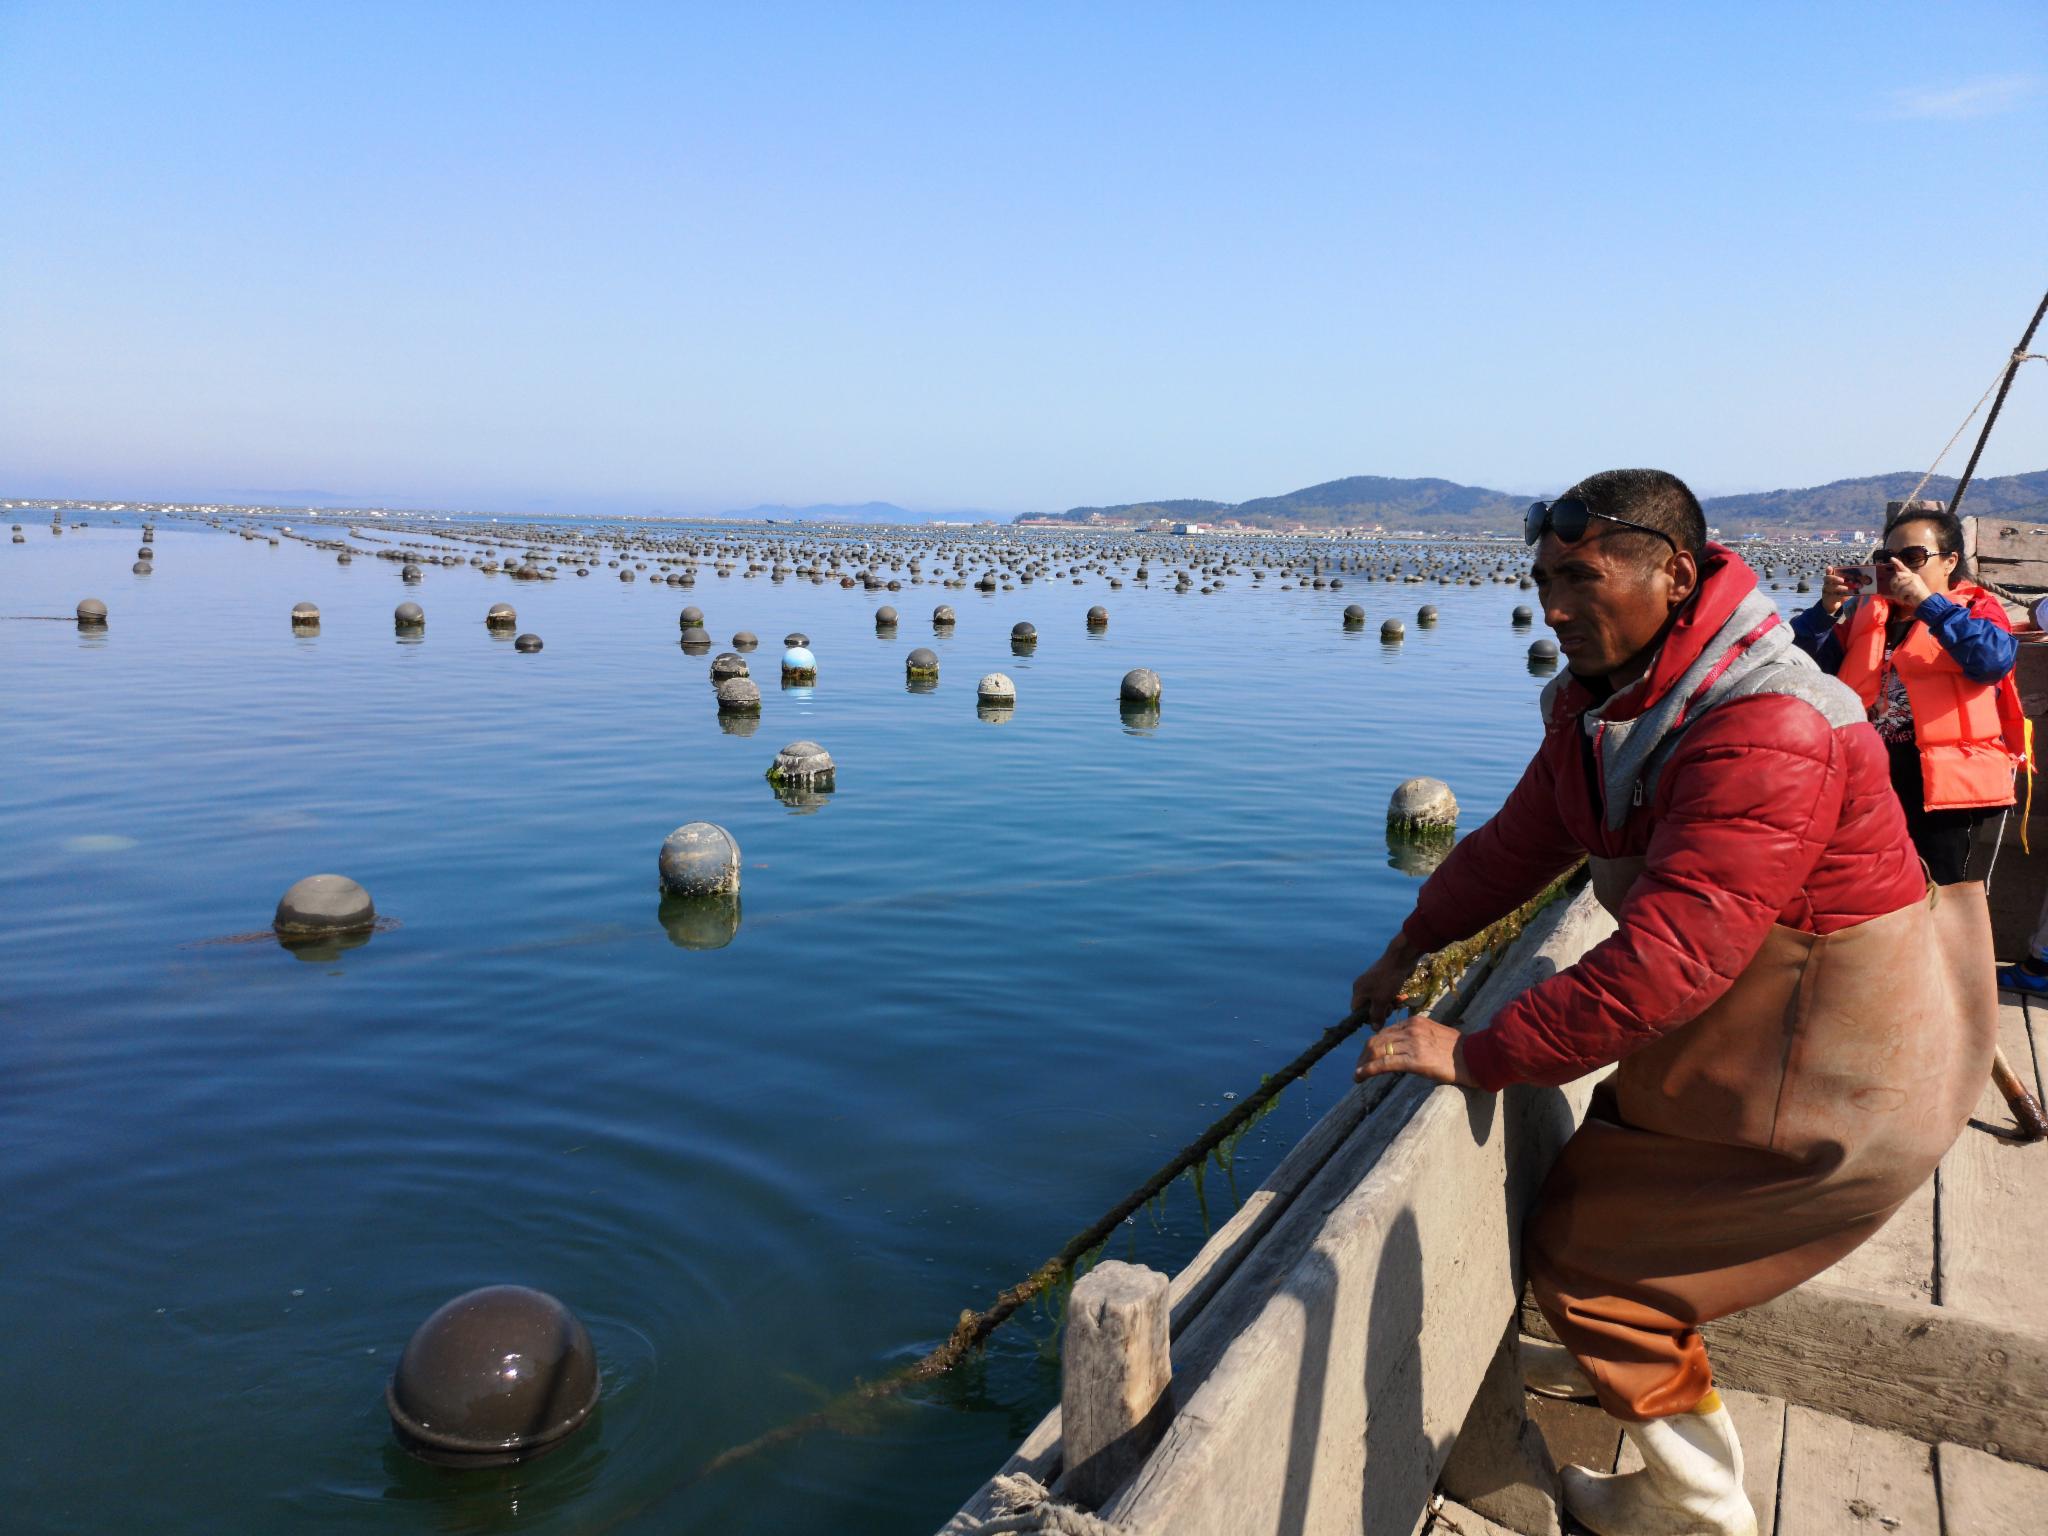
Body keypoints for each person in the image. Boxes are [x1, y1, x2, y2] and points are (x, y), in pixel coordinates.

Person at [1348, 469, 1996, 1536]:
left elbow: (1668, 962)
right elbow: (1519, 842)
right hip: (1743, 1040)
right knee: (1602, 1219)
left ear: (1674, 574)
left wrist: (1471, 1055)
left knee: (1598, 1260)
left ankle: (1693, 1515)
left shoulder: (1769, 726)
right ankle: (1667, 1484)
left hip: (1837, 1065)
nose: (1554, 607)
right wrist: (1407, 944)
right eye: (1542, 579)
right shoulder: (1608, 704)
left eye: (1582, 579)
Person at [1788, 501, 2026, 884]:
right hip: (1870, 778)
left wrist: (1929, 605)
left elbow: (1993, 660)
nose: (1898, 566)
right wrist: (1825, 610)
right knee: (1865, 887)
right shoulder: (1867, 614)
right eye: (1888, 556)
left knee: (1940, 893)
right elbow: (1804, 665)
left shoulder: (1978, 609)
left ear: (1949, 562)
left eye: (1913, 556)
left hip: (1943, 789)